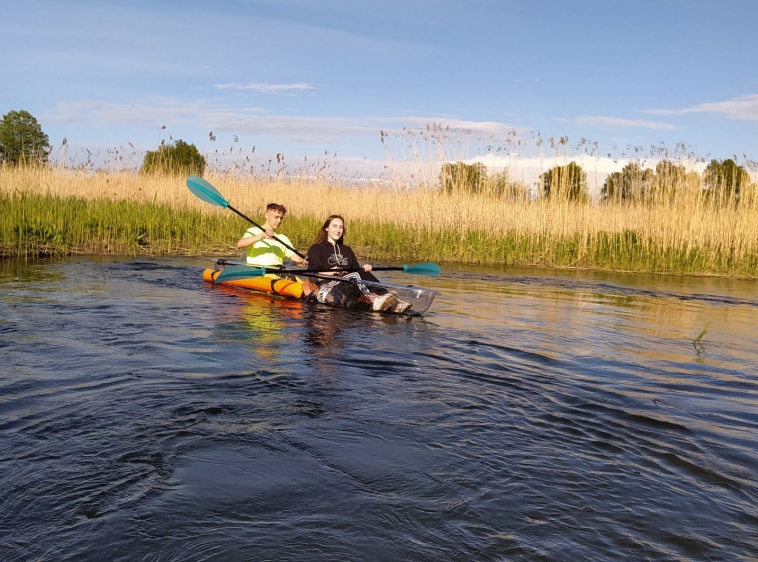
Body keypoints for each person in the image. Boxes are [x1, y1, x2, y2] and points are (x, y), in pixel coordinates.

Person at [305, 214, 411, 312]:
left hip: (347, 286)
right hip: (327, 287)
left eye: (341, 227)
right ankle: (381, 300)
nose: (338, 230)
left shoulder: (346, 250)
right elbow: (312, 276)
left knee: (360, 272)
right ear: (327, 228)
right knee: (356, 275)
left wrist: (365, 269)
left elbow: (356, 270)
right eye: (335, 226)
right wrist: (331, 272)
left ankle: (391, 301)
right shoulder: (317, 248)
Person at [236, 203, 308, 270]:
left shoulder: (283, 238)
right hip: (257, 272)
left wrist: (309, 262)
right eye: (276, 217)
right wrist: (261, 236)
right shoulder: (253, 231)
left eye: (281, 218)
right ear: (266, 215)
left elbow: (297, 261)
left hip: (276, 273)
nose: (279, 221)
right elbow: (240, 244)